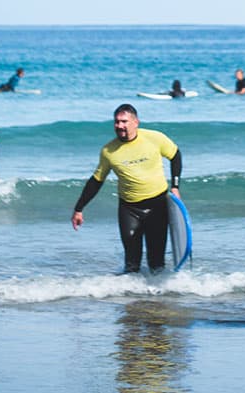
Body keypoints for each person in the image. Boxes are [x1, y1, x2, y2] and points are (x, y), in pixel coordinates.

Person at [71, 103, 182, 273]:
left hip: (158, 206)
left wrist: (175, 186)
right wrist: (79, 209)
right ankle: (131, 296)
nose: (120, 126)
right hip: (129, 208)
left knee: (156, 261)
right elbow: (96, 181)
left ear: (136, 122)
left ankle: (160, 297)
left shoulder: (155, 138)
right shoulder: (109, 151)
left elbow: (175, 155)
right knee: (131, 263)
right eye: (116, 122)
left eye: (124, 121)